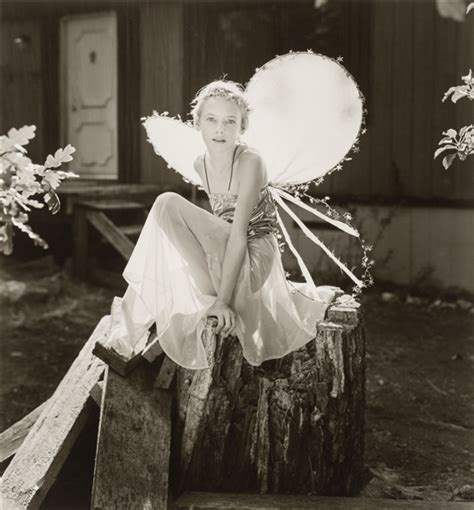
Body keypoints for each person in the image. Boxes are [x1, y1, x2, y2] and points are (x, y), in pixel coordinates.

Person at [103, 80, 337, 370]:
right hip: (221, 256)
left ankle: (131, 329)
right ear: (198, 122)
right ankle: (125, 336)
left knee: (166, 202)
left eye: (230, 122)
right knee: (166, 258)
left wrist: (223, 301)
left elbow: (239, 234)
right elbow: (218, 231)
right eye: (211, 120)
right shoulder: (199, 165)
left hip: (252, 255)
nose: (220, 129)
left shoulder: (251, 162)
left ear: (242, 127)